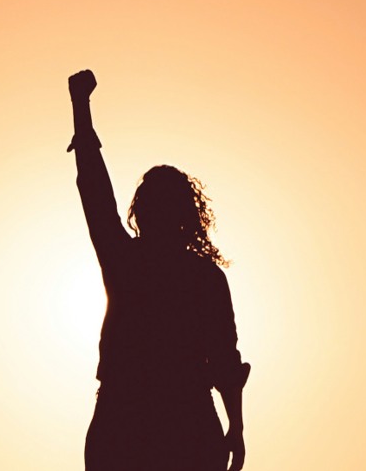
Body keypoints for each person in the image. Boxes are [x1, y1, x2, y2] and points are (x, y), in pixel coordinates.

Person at [67, 69, 250, 471]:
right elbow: (224, 361)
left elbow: (95, 192)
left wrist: (81, 108)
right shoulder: (201, 277)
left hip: (134, 422)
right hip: (174, 423)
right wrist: (235, 426)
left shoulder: (127, 261)